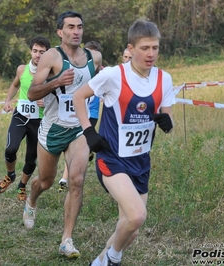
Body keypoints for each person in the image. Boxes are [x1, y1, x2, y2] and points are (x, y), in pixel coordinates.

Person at [72, 19, 175, 266]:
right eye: (145, 48)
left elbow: (168, 116)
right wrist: (89, 132)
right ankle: (113, 259)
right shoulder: (113, 75)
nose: (151, 54)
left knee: (131, 228)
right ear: (131, 48)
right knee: (137, 215)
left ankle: (99, 262)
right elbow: (78, 96)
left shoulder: (164, 79)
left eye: (155, 48)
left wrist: (167, 123)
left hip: (141, 161)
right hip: (112, 159)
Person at [23, 10, 102, 258]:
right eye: (70, 27)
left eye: (79, 26)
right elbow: (32, 94)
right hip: (53, 128)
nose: (76, 31)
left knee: (76, 180)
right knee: (45, 181)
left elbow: (104, 81)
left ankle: (66, 240)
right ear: (60, 32)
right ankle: (32, 200)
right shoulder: (51, 57)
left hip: (80, 127)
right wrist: (56, 82)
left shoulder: (95, 57)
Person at [0, 36, 51, 201]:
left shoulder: (51, 73)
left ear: (47, 54)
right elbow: (15, 85)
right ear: (30, 51)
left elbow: (58, 95)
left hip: (38, 121)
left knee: (31, 158)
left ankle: (22, 186)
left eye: (42, 52)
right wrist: (7, 100)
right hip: (20, 116)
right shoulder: (21, 69)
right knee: (10, 149)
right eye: (35, 51)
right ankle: (10, 175)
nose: (37, 55)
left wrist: (46, 102)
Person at [58, 40, 102, 192]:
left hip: (92, 114)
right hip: (74, 114)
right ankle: (65, 178)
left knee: (76, 145)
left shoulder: (101, 73)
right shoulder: (75, 69)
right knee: (72, 145)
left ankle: (65, 178)